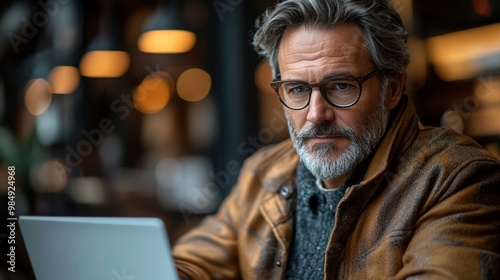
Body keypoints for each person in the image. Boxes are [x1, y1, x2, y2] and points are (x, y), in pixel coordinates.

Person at [172, 0, 500, 278]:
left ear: (393, 88)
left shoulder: (457, 178)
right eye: (297, 89)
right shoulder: (263, 173)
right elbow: (195, 260)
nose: (316, 114)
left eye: (341, 86)